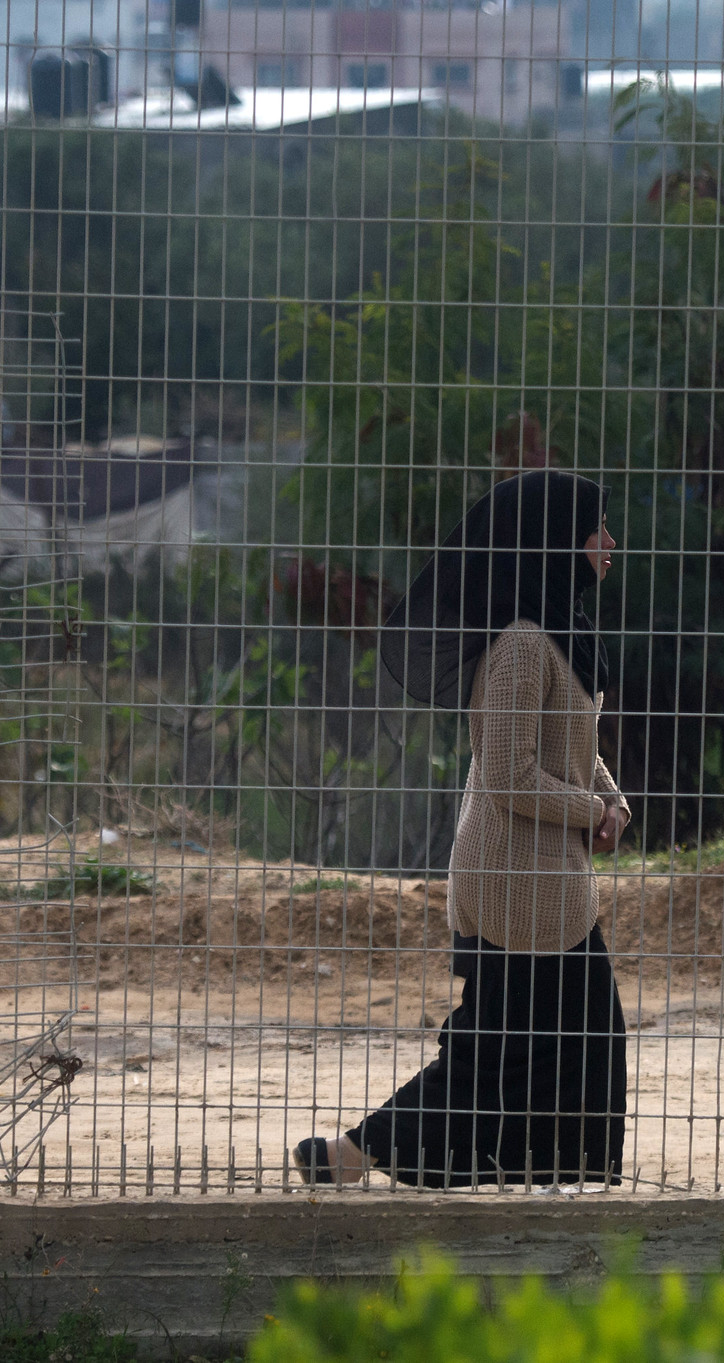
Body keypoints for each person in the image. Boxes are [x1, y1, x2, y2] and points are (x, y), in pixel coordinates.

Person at [293, 469, 630, 1187]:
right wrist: (587, 811)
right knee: (502, 1045)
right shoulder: (519, 643)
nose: (609, 542)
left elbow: (571, 748)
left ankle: (546, 1170)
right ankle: (355, 1152)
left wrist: (613, 798)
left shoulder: (562, 630)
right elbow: (509, 772)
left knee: (565, 1037)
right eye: (593, 529)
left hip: (544, 874)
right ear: (550, 543)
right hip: (514, 877)